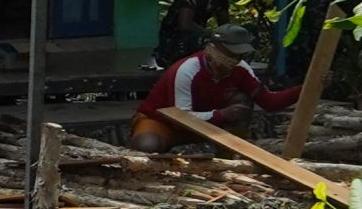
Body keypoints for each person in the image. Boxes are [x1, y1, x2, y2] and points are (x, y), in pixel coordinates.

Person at [128, 23, 300, 152]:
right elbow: (180, 118)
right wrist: (221, 114)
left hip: (208, 125)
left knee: (242, 100)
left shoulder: (241, 69)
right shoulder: (187, 70)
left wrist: (306, 89)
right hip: (165, 122)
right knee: (147, 144)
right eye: (229, 54)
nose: (233, 60)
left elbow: (269, 102)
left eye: (239, 55)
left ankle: (230, 153)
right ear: (212, 49)